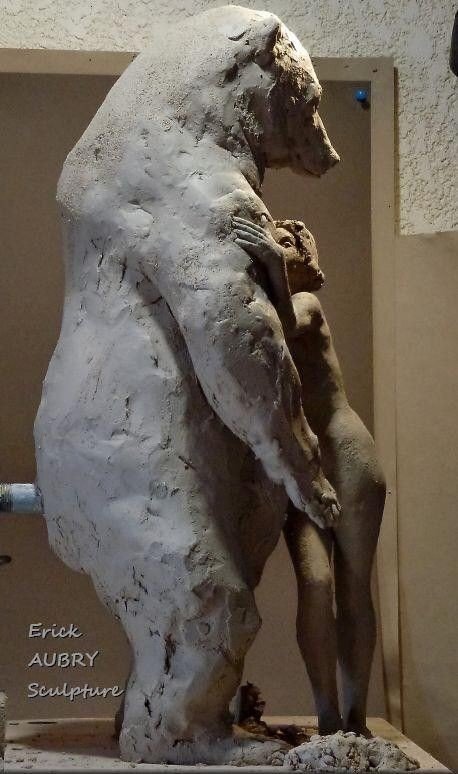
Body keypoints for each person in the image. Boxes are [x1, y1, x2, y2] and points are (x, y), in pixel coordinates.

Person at [233, 216, 386, 736]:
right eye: (270, 244)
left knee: (354, 584)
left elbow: (279, 326)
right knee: (316, 584)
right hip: (302, 462)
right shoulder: (260, 305)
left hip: (346, 453)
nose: (275, 247)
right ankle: (326, 715)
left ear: (305, 255)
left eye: (285, 242)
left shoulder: (306, 305)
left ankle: (356, 718)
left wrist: (270, 263)